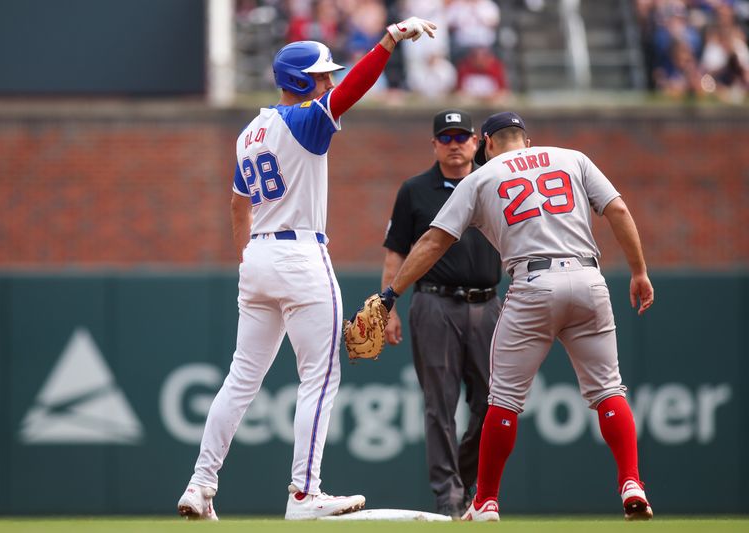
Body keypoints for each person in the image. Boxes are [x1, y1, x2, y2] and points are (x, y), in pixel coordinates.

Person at [176, 16, 437, 521]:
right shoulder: (305, 121)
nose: (330, 82)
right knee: (319, 376)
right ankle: (304, 493)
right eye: (320, 75)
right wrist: (388, 40)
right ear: (299, 82)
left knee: (240, 379)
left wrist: (248, 259)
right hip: (301, 254)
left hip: (258, 258)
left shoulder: (249, 133)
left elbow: (238, 205)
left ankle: (200, 483)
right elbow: (354, 91)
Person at [374, 111, 655, 521]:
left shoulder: (481, 178)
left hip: (533, 284)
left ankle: (486, 500)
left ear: (485, 145)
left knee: (502, 400)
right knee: (609, 390)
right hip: (589, 279)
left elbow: (434, 241)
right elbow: (619, 211)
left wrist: (390, 294)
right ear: (526, 139)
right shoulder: (571, 157)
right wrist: (639, 271)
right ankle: (631, 481)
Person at [382, 109, 501, 518]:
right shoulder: (415, 190)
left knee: (492, 401)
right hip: (434, 302)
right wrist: (389, 305)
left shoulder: (494, 182)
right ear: (434, 143)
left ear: (476, 142)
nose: (454, 144)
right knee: (440, 404)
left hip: (488, 303)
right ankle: (448, 495)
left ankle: (466, 478)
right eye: (446, 137)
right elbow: (396, 250)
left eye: (461, 136)